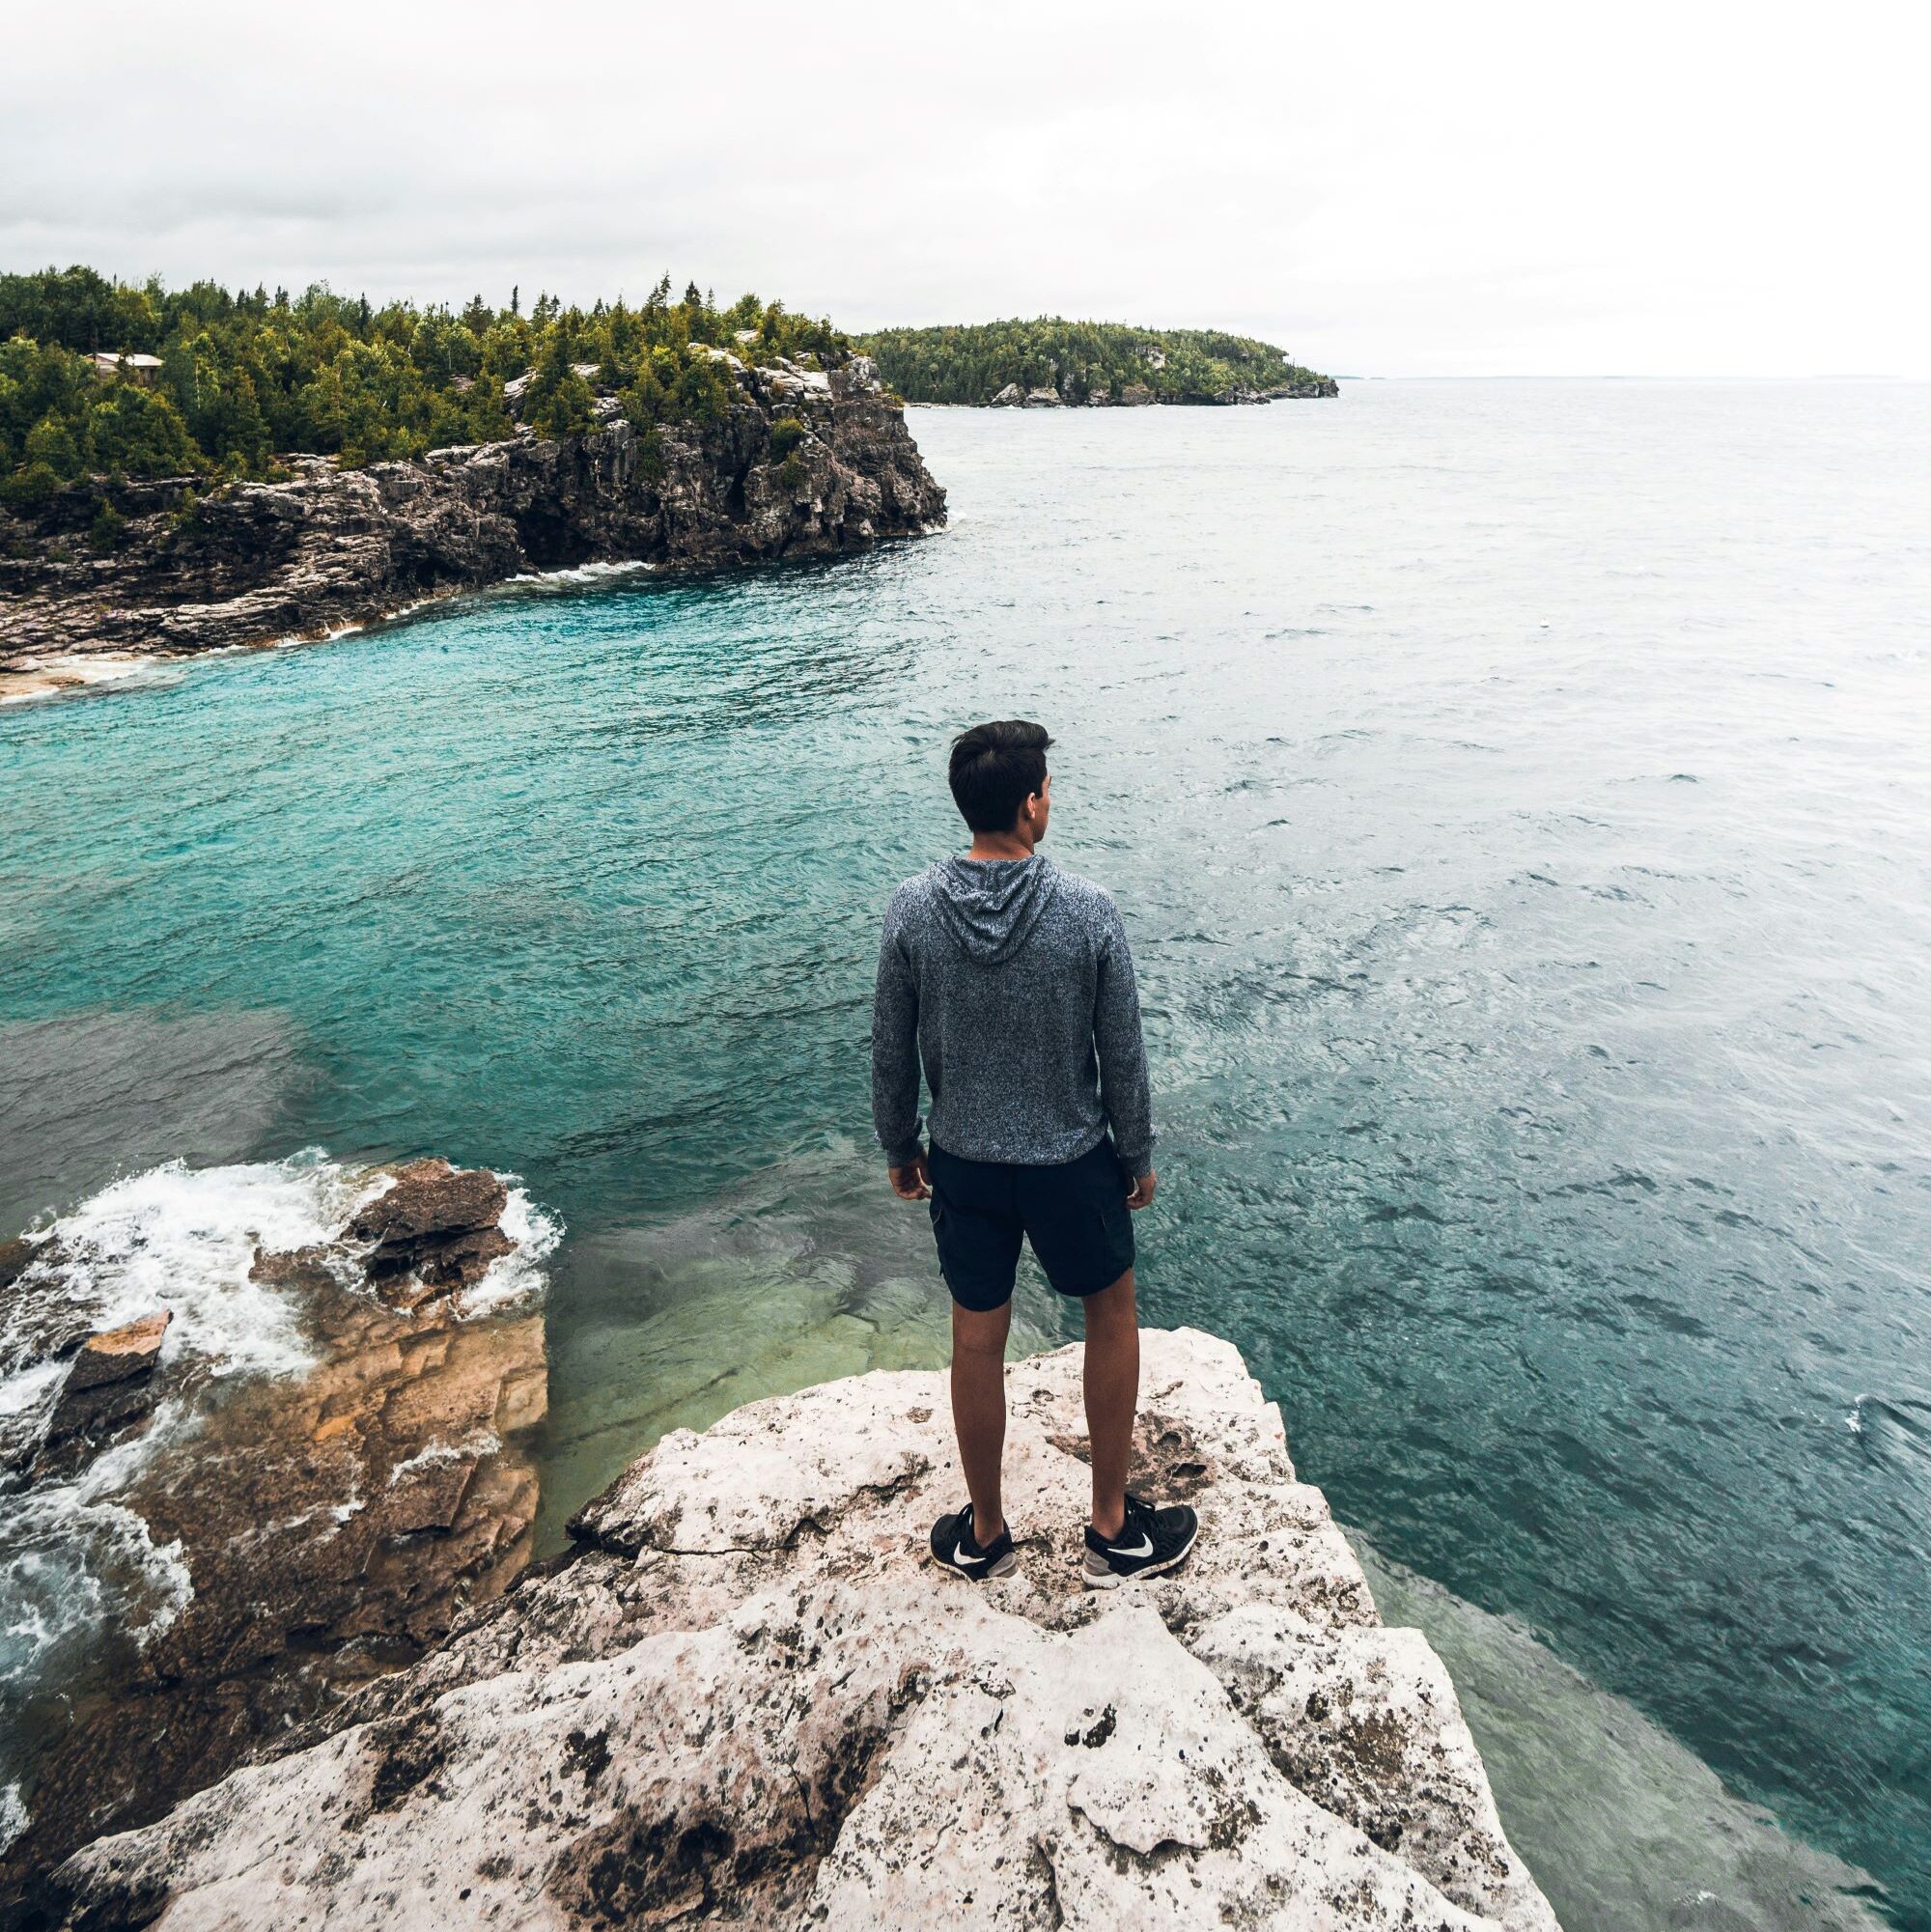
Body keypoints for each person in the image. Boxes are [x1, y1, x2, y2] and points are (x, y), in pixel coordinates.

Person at [871, 719, 1198, 1588]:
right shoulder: (1088, 910)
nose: (1051, 798)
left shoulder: (910, 909)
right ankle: (1111, 1530)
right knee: (1111, 1313)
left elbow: (889, 1050)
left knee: (977, 1339)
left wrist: (900, 1147)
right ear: (1028, 803)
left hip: (965, 1164)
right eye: (1047, 787)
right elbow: (1121, 1052)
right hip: (1071, 1162)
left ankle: (983, 1531)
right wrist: (1139, 1154)